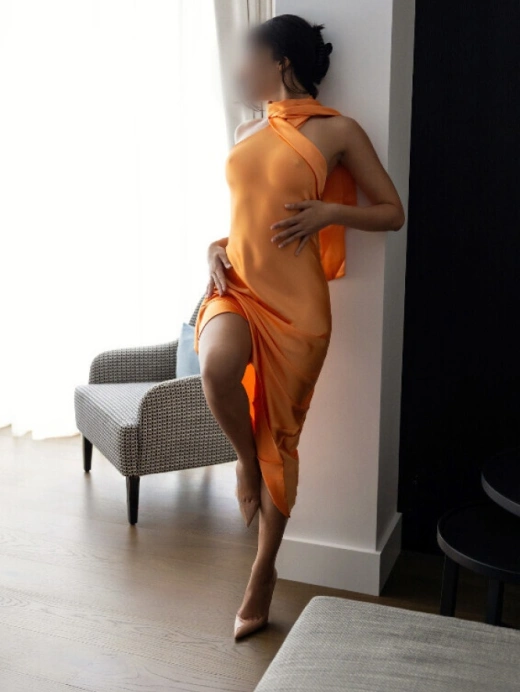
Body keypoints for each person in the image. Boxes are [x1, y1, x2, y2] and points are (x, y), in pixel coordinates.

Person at [193, 14, 405, 640]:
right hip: (237, 285)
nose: (239, 70)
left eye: (248, 58)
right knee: (216, 369)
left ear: (280, 61)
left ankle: (262, 574)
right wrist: (213, 247)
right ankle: (244, 462)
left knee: (281, 438)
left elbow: (392, 211)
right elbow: (247, 215)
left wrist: (328, 212)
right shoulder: (247, 128)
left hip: (299, 310)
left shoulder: (338, 130)